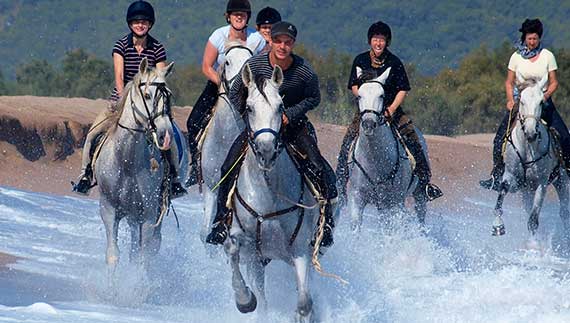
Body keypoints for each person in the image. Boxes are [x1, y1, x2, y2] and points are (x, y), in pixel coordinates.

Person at [205, 21, 338, 247]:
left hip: (293, 127)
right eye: (278, 41)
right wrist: (250, 118)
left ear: (293, 44)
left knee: (320, 167)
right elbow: (236, 90)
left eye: (288, 42)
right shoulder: (255, 64)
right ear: (271, 42)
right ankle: (220, 222)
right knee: (228, 166)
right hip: (260, 129)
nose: (283, 46)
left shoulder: (303, 70)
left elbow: (314, 97)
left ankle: (325, 224)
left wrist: (291, 114)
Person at [72, 0, 187, 198]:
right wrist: (123, 100)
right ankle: (85, 174)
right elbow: (119, 78)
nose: (140, 25)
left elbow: (160, 77)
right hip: (122, 100)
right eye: (136, 21)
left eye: (144, 21)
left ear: (150, 24)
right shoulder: (121, 46)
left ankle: (175, 178)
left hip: (150, 104)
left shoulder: (157, 48)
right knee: (94, 132)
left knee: (170, 136)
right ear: (130, 24)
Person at [336, 21, 443, 203]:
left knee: (412, 138)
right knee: (348, 139)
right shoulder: (360, 60)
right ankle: (340, 180)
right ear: (370, 41)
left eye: (382, 40)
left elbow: (403, 89)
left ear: (387, 42)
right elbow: (353, 85)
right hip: (367, 111)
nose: (378, 43)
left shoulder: (394, 62)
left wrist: (392, 108)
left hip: (391, 111)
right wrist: (365, 98)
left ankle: (424, 184)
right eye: (375, 39)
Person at [480, 18, 570, 190]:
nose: (532, 42)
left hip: (542, 102)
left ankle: (567, 167)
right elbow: (509, 82)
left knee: (565, 136)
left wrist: (545, 96)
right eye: (529, 38)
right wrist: (510, 100)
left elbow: (554, 82)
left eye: (535, 38)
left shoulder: (547, 56)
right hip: (521, 103)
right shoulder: (516, 57)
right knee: (499, 138)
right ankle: (496, 175)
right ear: (524, 39)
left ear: (539, 39)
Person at [185, 0, 266, 186]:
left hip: (247, 89)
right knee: (193, 122)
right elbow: (206, 66)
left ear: (247, 18)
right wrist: (223, 84)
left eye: (243, 14)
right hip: (219, 84)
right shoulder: (218, 36)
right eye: (235, 14)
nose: (239, 16)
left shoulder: (257, 40)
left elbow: (263, 67)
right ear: (228, 16)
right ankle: (196, 167)